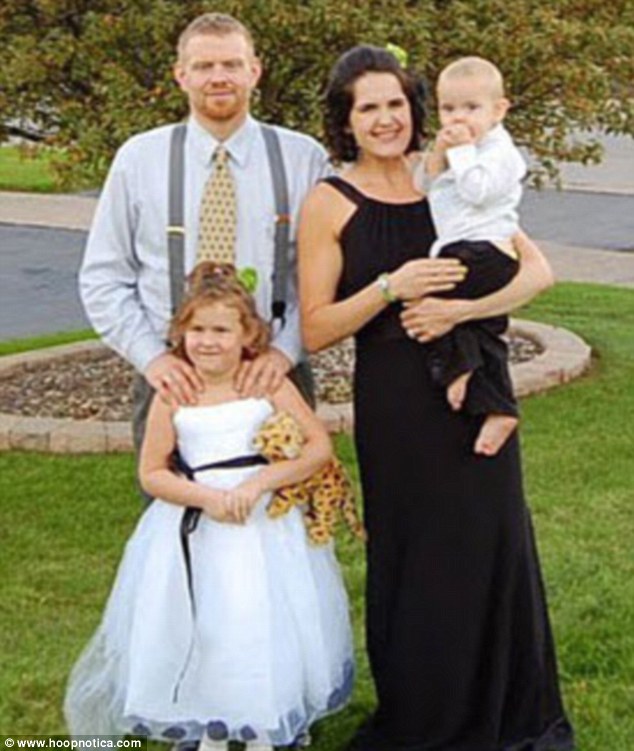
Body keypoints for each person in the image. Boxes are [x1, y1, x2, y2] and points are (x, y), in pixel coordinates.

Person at [299, 45, 574, 751]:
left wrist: (453, 313)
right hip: (395, 403)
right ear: (347, 120)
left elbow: (536, 272)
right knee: (416, 559)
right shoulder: (331, 201)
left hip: (475, 391)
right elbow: (316, 326)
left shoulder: (454, 176)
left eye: (396, 103)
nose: (386, 119)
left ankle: (509, 710)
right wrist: (392, 286)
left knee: (492, 544)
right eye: (369, 108)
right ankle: (427, 715)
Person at [64, 263, 354, 749]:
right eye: (196, 329)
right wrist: (208, 498)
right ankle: (210, 723)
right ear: (180, 333)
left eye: (221, 329)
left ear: (248, 334)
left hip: (264, 525)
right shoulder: (174, 393)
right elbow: (152, 472)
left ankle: (263, 720)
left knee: (261, 618)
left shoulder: (265, 383)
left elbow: (317, 447)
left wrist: (260, 483)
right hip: (201, 526)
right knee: (206, 623)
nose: (208, 341)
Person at [79, 12, 329, 456]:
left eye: (231, 64)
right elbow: (103, 276)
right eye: (203, 66)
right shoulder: (139, 159)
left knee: (285, 518)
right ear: (180, 75)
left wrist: (284, 354)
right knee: (175, 516)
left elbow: (323, 280)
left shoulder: (302, 159)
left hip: (274, 373)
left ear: (254, 70)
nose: (219, 77)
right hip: (174, 375)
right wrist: (152, 359)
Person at [412, 56, 527, 456]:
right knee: (481, 328)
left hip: (485, 250)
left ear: (499, 110)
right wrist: (439, 154)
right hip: (463, 247)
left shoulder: (499, 153)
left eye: (471, 108)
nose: (458, 118)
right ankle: (497, 405)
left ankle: (460, 371)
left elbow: (479, 190)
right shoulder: (459, 148)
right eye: (448, 108)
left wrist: (461, 154)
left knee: (428, 301)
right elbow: (423, 187)